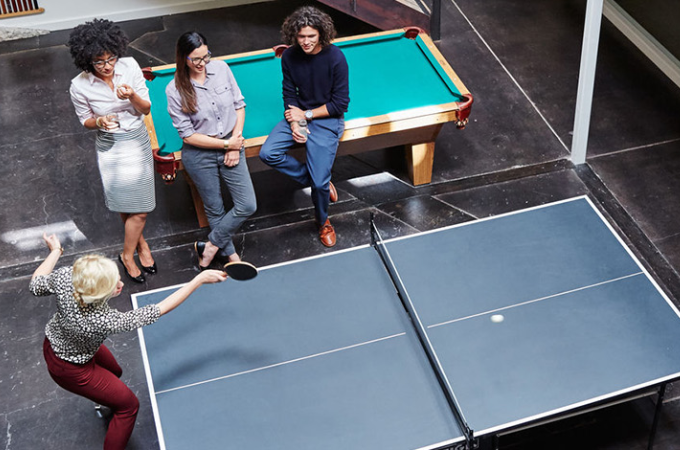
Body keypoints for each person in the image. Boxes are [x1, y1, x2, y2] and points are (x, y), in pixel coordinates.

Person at [29, 233, 226, 450]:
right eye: (113, 285)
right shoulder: (106, 320)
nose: (121, 283)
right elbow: (159, 309)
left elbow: (36, 285)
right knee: (129, 406)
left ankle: (102, 398)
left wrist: (56, 250)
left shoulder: (68, 277)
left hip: (63, 342)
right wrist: (198, 280)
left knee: (115, 372)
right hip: (71, 368)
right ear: (97, 295)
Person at [68, 19, 157, 284]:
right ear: (87, 60)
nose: (107, 66)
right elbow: (85, 120)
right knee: (124, 203)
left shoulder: (128, 66)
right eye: (99, 62)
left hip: (136, 139)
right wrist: (100, 121)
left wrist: (131, 96)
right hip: (109, 145)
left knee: (141, 209)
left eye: (111, 59)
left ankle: (126, 254)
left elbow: (145, 109)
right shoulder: (79, 85)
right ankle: (140, 248)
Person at [259, 6, 349, 247]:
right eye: (301, 36)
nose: (306, 41)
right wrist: (297, 122)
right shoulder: (289, 56)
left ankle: (323, 222)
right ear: (293, 35)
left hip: (326, 119)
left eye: (311, 36)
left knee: (320, 184)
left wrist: (306, 115)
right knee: (268, 153)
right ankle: (316, 180)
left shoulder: (336, 58)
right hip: (299, 115)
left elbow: (340, 104)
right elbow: (289, 92)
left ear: (321, 33)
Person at [166, 31, 257, 270]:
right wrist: (226, 145)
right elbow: (188, 135)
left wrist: (235, 142)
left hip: (232, 143)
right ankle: (231, 256)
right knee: (214, 208)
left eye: (205, 56)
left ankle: (210, 246)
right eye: (195, 59)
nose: (202, 63)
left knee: (247, 204)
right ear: (182, 58)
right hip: (199, 153)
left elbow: (239, 106)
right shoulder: (174, 89)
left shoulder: (222, 68)